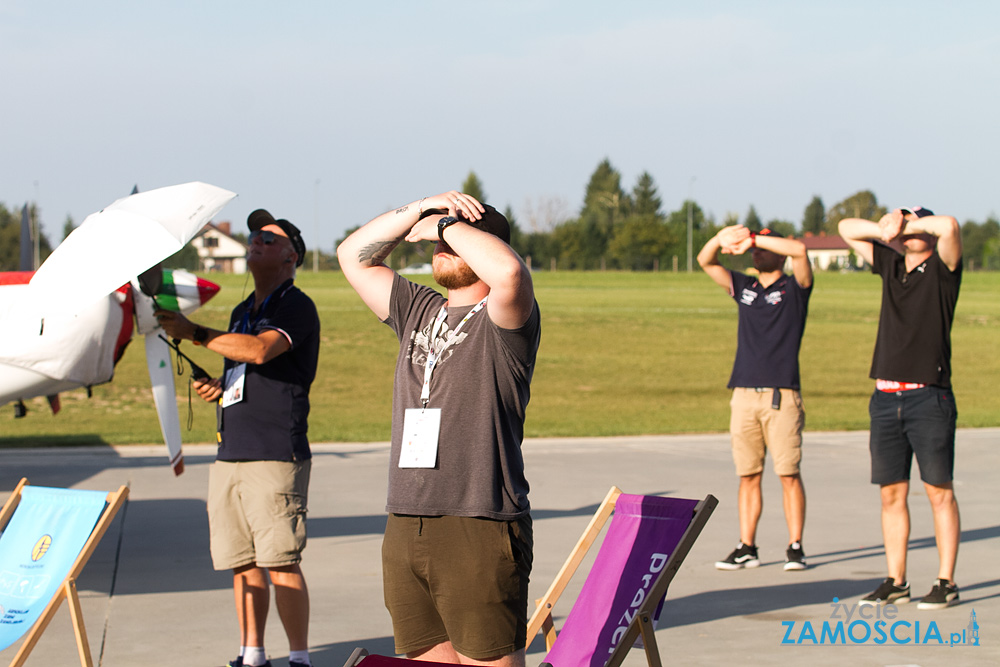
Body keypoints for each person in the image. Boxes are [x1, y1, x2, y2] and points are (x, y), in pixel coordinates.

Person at [337, 191, 540, 666]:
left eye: (457, 236)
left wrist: (446, 226)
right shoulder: (418, 310)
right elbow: (353, 256)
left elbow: (510, 273)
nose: (442, 246)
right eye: (440, 239)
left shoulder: (506, 318)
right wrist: (419, 208)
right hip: (407, 520)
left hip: (480, 521)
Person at [156, 209, 320, 667]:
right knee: (241, 562)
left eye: (269, 237)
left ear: (291, 256)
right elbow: (242, 368)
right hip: (231, 451)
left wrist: (195, 333)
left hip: (274, 453)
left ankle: (300, 660)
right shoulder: (240, 311)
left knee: (280, 560)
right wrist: (218, 388)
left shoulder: (295, 305)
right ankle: (252, 656)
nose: (256, 240)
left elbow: (262, 350)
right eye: (253, 235)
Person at [839, 206, 963, 610]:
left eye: (914, 224)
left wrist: (909, 224)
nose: (907, 232)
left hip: (929, 395)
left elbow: (949, 226)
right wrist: (885, 229)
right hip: (885, 397)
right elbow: (845, 229)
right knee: (892, 493)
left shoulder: (944, 268)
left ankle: (946, 581)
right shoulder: (890, 264)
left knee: (938, 491)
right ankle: (896, 580)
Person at [697, 225, 813, 572]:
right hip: (744, 393)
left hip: (782, 395)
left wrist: (753, 239)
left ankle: (795, 546)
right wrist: (722, 239)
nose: (755, 254)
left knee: (788, 473)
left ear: (777, 250)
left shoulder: (794, 287)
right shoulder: (744, 287)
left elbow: (800, 251)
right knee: (748, 474)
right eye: (753, 249)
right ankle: (747, 546)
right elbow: (706, 261)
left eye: (762, 247)